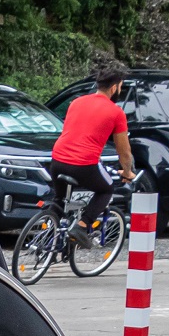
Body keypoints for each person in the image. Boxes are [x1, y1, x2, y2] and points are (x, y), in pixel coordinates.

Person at [50, 67, 137, 237]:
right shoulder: (116, 112)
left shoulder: (77, 102)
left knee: (60, 200)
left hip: (57, 161)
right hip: (83, 164)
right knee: (106, 189)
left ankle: (47, 235)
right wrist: (127, 171)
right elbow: (124, 151)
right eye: (120, 87)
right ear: (114, 88)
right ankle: (82, 226)